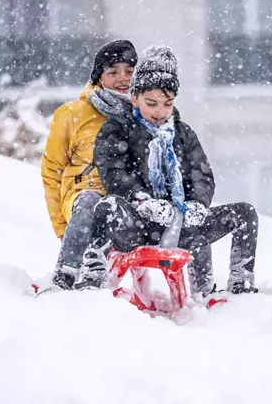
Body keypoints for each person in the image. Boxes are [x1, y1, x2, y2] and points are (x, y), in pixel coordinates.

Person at [80, 46, 259, 296]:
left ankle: (241, 283)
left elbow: (202, 175)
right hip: (138, 225)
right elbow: (113, 173)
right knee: (106, 207)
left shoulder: (183, 134)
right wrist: (143, 201)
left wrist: (197, 204)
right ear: (134, 98)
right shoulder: (117, 130)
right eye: (151, 103)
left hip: (181, 224)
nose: (159, 111)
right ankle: (92, 276)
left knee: (244, 213)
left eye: (167, 104)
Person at [41, 39, 138, 289]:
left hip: (124, 202)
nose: (122, 78)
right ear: (98, 77)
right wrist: (62, 228)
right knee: (91, 201)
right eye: (113, 72)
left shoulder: (145, 113)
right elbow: (52, 171)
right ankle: (66, 275)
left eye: (129, 71)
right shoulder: (72, 114)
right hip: (81, 201)